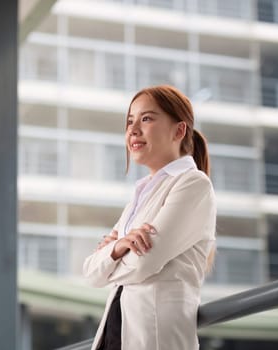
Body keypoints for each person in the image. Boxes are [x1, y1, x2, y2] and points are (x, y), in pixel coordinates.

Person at [82, 85, 217, 350]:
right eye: (130, 121)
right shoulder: (140, 196)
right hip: (114, 336)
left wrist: (111, 255)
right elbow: (91, 273)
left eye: (146, 119)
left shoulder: (193, 185)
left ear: (179, 130)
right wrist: (120, 246)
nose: (133, 130)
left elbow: (146, 261)